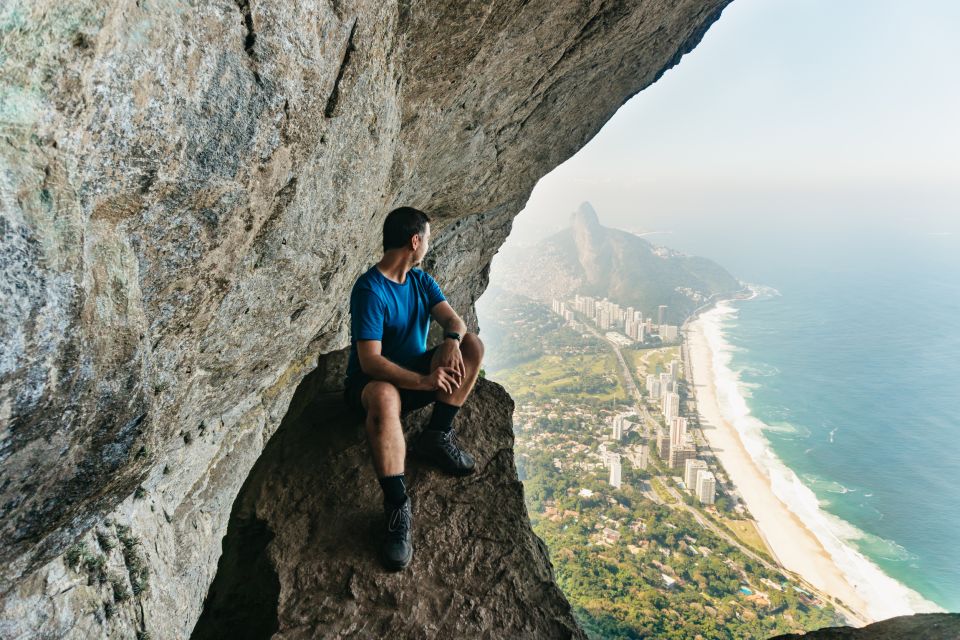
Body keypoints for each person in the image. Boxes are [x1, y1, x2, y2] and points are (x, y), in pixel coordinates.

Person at [343, 206, 484, 571]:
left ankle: (437, 435)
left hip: (414, 376)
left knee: (473, 347)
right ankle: (396, 506)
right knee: (384, 394)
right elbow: (370, 361)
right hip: (370, 387)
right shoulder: (370, 289)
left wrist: (452, 340)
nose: (427, 246)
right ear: (414, 240)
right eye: (427, 238)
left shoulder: (421, 281)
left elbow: (454, 320)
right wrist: (424, 381)